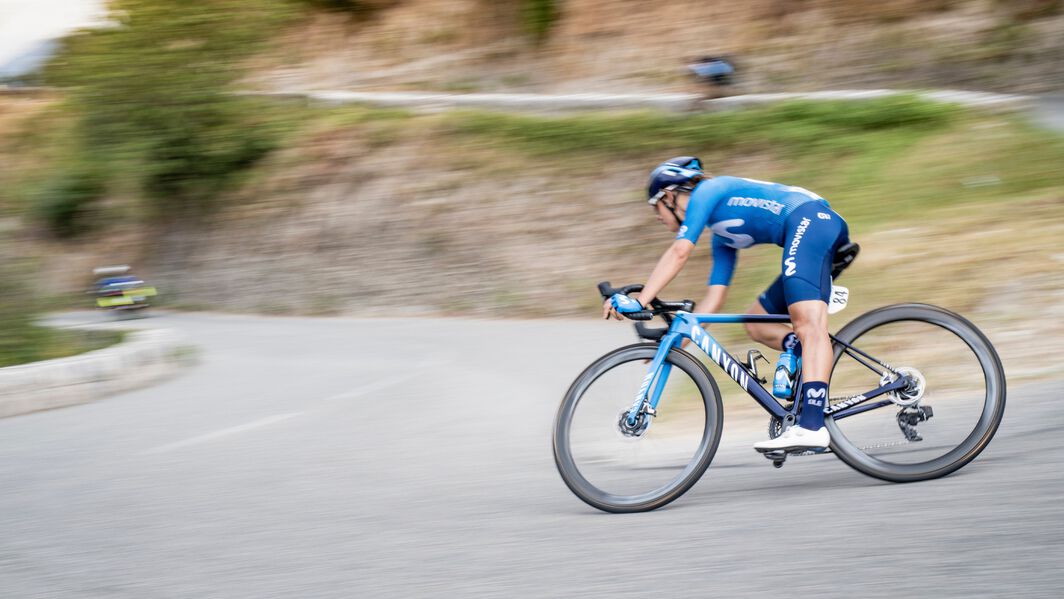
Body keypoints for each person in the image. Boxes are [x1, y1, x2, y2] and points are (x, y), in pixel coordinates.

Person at [602, 157, 852, 452]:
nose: (657, 216)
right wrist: (678, 341)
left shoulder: (708, 191)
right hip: (811, 228)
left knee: (806, 322)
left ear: (668, 196)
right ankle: (804, 356)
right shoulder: (723, 237)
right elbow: (715, 298)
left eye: (654, 207)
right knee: (755, 322)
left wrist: (640, 300)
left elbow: (680, 251)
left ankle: (811, 426)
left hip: (812, 221)